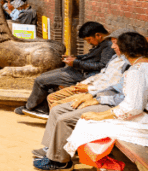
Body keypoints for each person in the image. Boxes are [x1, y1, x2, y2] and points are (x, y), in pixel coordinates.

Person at [32, 33, 130, 170]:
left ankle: (60, 161)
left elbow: (128, 101)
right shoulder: (120, 60)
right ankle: (52, 149)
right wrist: (92, 93)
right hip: (100, 95)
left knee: (64, 118)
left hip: (111, 104)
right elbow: (111, 84)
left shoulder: (134, 68)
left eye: (115, 44)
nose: (112, 46)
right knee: (56, 109)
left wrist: (95, 97)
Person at [60, 32, 148, 171]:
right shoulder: (139, 67)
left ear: (126, 50)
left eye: (116, 45)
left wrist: (101, 115)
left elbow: (133, 107)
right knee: (88, 122)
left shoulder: (137, 71)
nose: (113, 47)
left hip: (143, 122)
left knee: (89, 124)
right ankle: (104, 163)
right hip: (139, 115)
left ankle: (107, 164)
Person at [17, 21, 115, 118]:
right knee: (43, 77)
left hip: (84, 75)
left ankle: (29, 107)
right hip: (78, 70)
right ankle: (41, 108)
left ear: (98, 35)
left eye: (89, 40)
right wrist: (75, 58)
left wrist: (76, 62)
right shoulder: (103, 43)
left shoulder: (109, 46)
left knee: (41, 80)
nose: (89, 43)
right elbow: (90, 56)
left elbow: (102, 66)